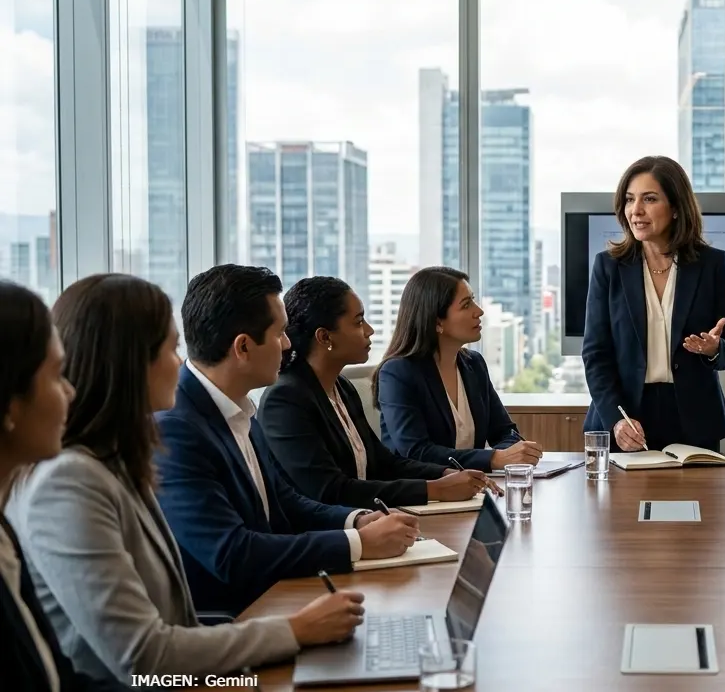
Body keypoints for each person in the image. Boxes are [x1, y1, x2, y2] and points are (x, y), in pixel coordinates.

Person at [6, 274, 367, 683]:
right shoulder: (68, 481)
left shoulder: (118, 461)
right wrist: (296, 630)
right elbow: (142, 656)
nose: (181, 363)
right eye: (171, 348)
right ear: (128, 364)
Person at [154, 264, 421, 616]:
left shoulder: (240, 407)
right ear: (244, 347)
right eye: (279, 332)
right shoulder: (177, 429)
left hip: (279, 597)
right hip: (236, 625)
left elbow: (286, 504)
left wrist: (355, 521)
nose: (288, 343)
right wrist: (356, 543)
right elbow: (231, 553)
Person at [259, 276, 494, 508]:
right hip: (322, 535)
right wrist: (435, 489)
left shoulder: (342, 387)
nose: (369, 330)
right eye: (358, 322)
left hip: (366, 521)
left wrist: (445, 473)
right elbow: (329, 490)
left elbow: (383, 464)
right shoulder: (285, 400)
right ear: (325, 337)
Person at [0, 281, 128, 692]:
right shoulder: (65, 480)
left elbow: (61, 680)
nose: (70, 390)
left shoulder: (4, 536)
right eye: (57, 375)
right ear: (8, 402)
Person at [580, 155, 725, 453]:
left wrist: (714, 349)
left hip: (694, 420)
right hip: (626, 418)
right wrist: (616, 420)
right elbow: (595, 354)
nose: (635, 211)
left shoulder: (711, 264)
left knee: (699, 501)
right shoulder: (608, 267)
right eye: (629, 200)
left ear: (677, 207)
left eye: (649, 199)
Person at [374, 267, 544, 471]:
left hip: (471, 491)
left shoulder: (474, 364)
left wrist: (511, 454)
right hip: (422, 493)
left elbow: (505, 432)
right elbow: (417, 451)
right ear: (437, 322)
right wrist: (493, 459)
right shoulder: (397, 373)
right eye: (466, 305)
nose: (479, 311)